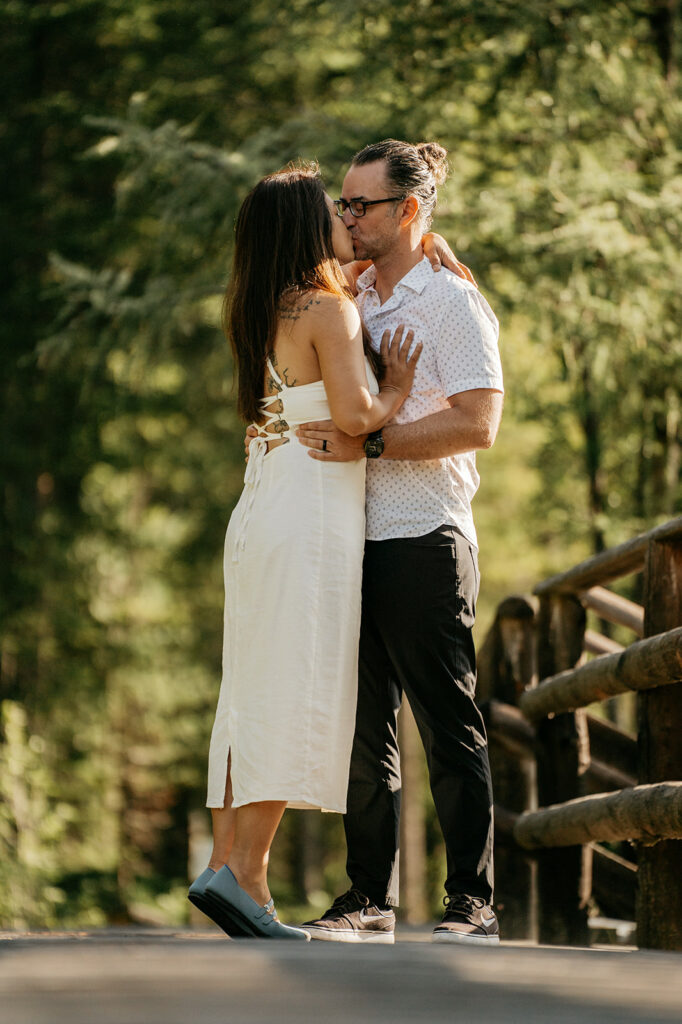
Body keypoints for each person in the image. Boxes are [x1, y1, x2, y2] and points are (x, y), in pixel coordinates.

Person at [187, 162, 422, 940]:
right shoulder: (329, 309)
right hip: (310, 509)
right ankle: (248, 878)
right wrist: (396, 391)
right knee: (293, 683)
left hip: (263, 501)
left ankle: (226, 866)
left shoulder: (263, 306)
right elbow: (355, 415)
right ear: (302, 226)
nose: (345, 218)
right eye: (332, 209)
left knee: (249, 688)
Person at [295, 139, 504, 946]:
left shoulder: (453, 304)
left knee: (447, 726)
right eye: (343, 204)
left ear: (408, 211)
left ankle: (473, 904)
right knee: (363, 733)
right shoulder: (351, 291)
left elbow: (479, 423)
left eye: (360, 205)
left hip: (424, 536)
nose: (346, 217)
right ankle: (366, 898)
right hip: (351, 542)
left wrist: (373, 446)